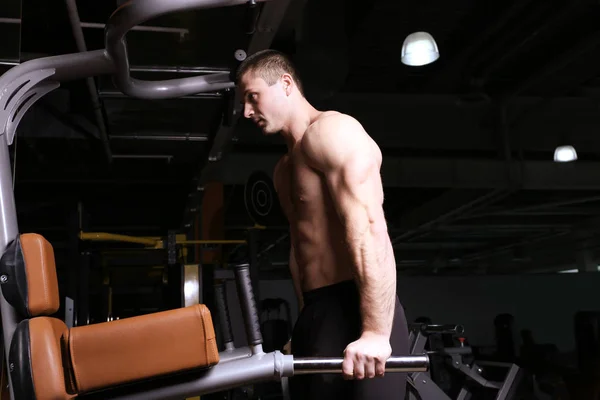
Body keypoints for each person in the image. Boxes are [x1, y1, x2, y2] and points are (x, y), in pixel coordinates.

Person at [236, 49, 409, 400]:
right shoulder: (284, 170)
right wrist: (305, 322)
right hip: (318, 312)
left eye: (252, 97)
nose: (246, 112)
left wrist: (376, 332)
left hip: (356, 306)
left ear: (285, 84)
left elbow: (369, 226)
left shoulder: (333, 133)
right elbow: (300, 252)